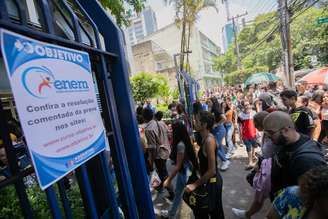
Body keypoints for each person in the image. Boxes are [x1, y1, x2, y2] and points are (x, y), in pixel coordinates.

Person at [263, 111, 326, 200]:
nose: (268, 136)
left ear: (285, 130)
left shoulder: (307, 160)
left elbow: (309, 196)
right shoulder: (285, 141)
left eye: (270, 133)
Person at [232, 111, 274, 219]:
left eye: (255, 123)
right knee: (261, 196)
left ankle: (247, 215)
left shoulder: (273, 136)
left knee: (261, 196)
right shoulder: (265, 134)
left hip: (271, 172)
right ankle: (248, 214)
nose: (254, 125)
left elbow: (270, 155)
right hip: (266, 170)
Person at [185, 111, 225, 219]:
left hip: (212, 183)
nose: (194, 122)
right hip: (207, 181)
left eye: (197, 121)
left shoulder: (209, 141)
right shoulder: (204, 138)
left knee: (215, 213)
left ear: (204, 125)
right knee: (203, 211)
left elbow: (212, 170)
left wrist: (194, 185)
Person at [160, 122, 199, 218]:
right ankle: (171, 214)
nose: (170, 131)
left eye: (172, 130)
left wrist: (168, 180)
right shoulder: (184, 140)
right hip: (186, 171)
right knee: (179, 195)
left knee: (188, 198)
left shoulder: (180, 145)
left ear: (177, 131)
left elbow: (178, 166)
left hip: (185, 173)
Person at [143, 108, 170, 190]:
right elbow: (167, 134)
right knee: (162, 171)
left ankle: (171, 191)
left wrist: (151, 159)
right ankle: (161, 187)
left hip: (159, 154)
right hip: (165, 150)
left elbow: (153, 147)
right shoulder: (160, 123)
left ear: (144, 118)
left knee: (163, 173)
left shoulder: (148, 129)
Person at [238, 101, 258, 169]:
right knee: (248, 147)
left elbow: (256, 123)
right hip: (245, 134)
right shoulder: (241, 115)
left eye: (248, 104)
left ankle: (253, 155)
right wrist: (240, 136)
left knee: (254, 145)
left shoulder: (254, 113)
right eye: (245, 105)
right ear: (243, 107)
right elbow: (240, 126)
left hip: (253, 133)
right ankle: (250, 161)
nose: (247, 106)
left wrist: (258, 132)